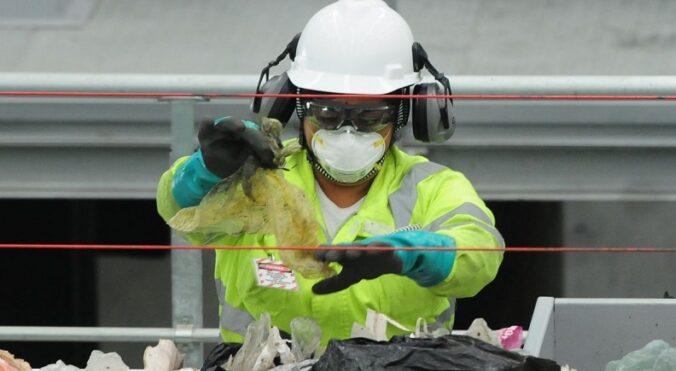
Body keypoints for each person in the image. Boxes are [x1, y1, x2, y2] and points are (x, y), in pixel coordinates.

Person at [156, 0, 504, 344]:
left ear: (404, 114)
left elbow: (480, 254)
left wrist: (409, 254)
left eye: (370, 116)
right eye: (327, 113)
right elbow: (176, 208)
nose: (347, 132)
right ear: (293, 105)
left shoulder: (435, 187)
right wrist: (206, 170)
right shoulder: (254, 183)